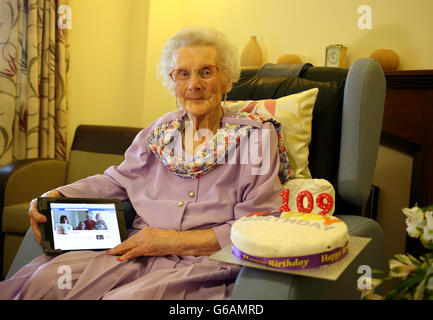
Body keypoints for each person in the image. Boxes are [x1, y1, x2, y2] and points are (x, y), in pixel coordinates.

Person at [0, 26, 290, 300]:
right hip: (137, 253)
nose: (194, 84)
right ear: (171, 81)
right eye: (182, 74)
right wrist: (58, 195)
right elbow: (117, 180)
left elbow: (258, 224)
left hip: (204, 265)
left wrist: (171, 241)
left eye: (206, 72)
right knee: (47, 282)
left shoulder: (255, 137)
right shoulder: (157, 133)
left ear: (227, 79)